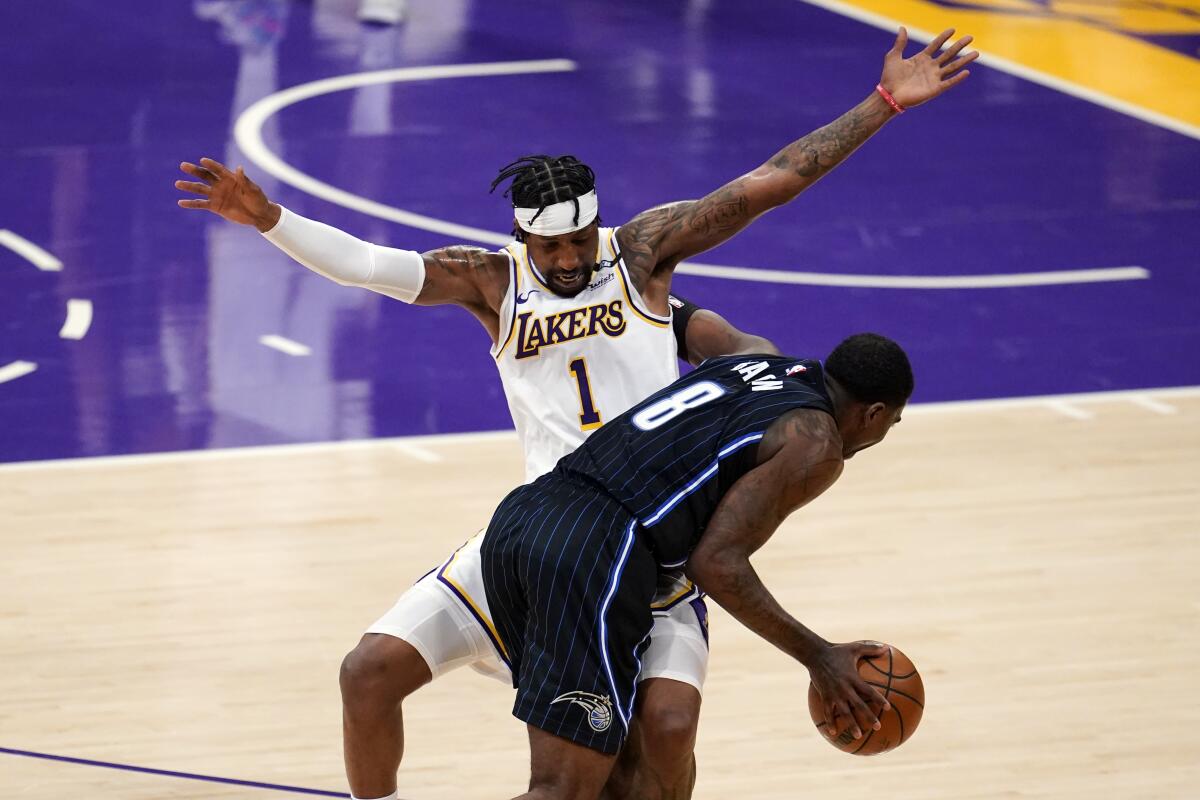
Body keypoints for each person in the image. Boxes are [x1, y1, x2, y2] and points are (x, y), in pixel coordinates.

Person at [175, 25, 976, 800]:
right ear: (519, 236)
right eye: (547, 248)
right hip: (545, 532)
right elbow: (371, 267)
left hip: (651, 549)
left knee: (661, 735)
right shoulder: (492, 283)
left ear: (598, 224)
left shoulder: (644, 253)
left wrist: (883, 103)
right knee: (368, 673)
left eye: (577, 242)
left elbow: (771, 181)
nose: (564, 261)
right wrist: (269, 220)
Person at [481, 332, 913, 799]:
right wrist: (819, 657)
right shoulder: (816, 443)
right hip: (594, 550)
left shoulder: (755, 356)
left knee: (619, 773)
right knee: (562, 791)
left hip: (522, 520)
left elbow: (676, 313)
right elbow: (716, 563)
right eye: (892, 422)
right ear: (874, 414)